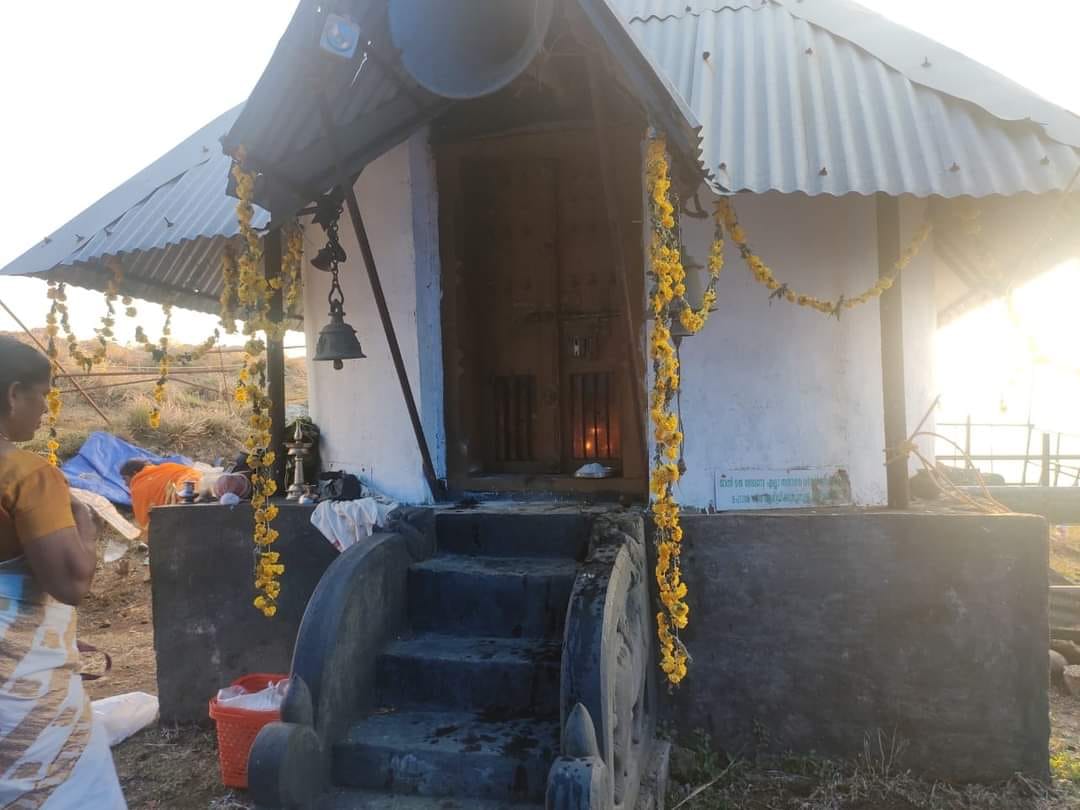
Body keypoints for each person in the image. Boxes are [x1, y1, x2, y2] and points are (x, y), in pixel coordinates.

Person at [0, 336, 126, 808]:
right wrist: (87, 530)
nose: (46, 411)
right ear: (13, 394)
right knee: (61, 787)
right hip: (20, 689)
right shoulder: (26, 475)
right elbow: (71, 583)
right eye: (43, 396)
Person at [120, 458, 201, 530]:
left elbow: (145, 521)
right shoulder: (167, 466)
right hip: (200, 483)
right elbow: (188, 473)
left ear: (135, 473)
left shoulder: (138, 486)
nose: (125, 484)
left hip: (186, 496)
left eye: (125, 479)